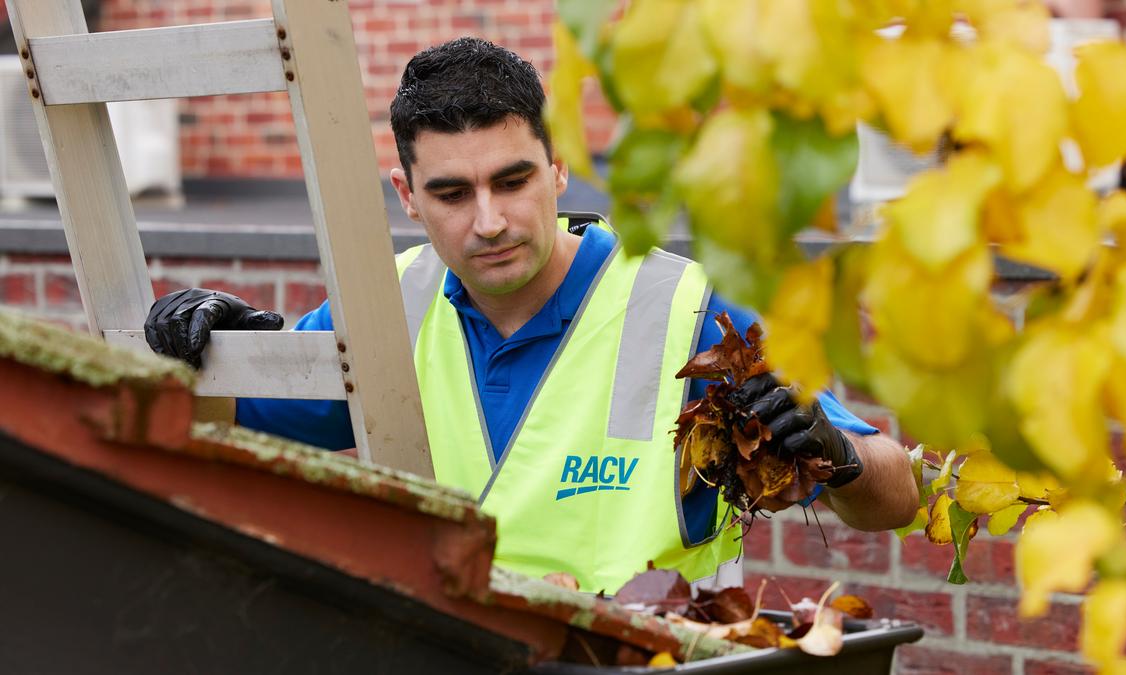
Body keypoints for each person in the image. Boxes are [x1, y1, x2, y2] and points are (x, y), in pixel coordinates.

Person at [145, 37, 918, 593]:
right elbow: (221, 411)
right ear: (407, 196)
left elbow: (897, 494)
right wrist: (210, 337)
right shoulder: (392, 308)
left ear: (556, 169)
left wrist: (833, 453)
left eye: (513, 180)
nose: (489, 221)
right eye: (451, 194)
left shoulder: (686, 311)